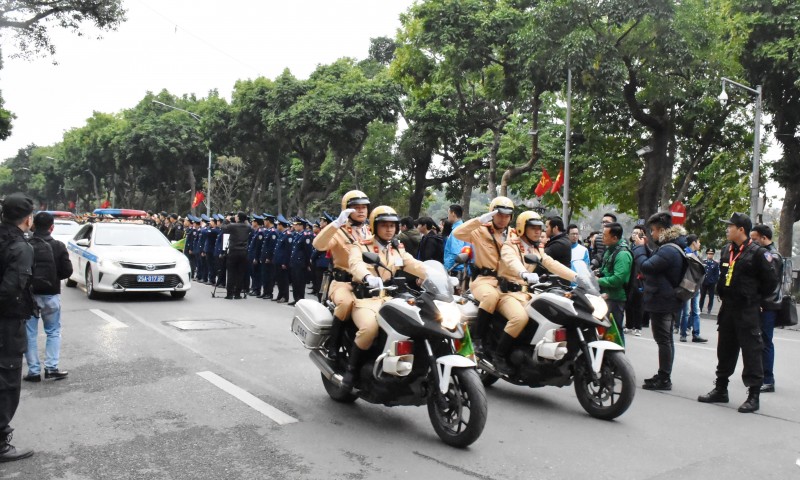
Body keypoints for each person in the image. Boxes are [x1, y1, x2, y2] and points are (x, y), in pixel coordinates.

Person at [698, 213, 778, 413]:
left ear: (741, 229)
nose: (727, 229)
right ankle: (721, 388)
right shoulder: (727, 250)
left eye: (730, 226)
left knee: (752, 351)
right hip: (728, 308)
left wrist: (759, 301)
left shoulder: (759, 253)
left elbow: (771, 282)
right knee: (725, 349)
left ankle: (753, 396)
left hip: (748, 309)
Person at [344, 206, 428, 389]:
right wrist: (367, 277)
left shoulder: (397, 248)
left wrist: (436, 273)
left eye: (393, 225)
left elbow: (413, 264)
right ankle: (351, 370)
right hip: (367, 299)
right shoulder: (361, 245)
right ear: (375, 226)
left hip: (391, 299)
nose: (389, 229)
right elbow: (355, 264)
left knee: (417, 322)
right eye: (384, 225)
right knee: (369, 328)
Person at [493, 211, 579, 373]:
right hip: (506, 293)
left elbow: (552, 264)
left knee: (548, 313)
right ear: (521, 228)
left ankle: (533, 353)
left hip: (527, 293)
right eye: (533, 228)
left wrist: (576, 277)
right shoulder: (510, 245)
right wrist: (523, 273)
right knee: (519, 318)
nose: (538, 231)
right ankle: (499, 356)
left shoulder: (536, 249)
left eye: (540, 228)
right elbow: (511, 261)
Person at [312, 191, 373, 361]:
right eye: (356, 207)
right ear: (347, 209)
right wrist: (335, 224)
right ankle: (333, 343)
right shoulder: (338, 232)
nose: (361, 211)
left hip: (368, 283)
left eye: (364, 207)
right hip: (343, 282)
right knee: (346, 303)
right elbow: (319, 245)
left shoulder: (371, 231)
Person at [453, 197, 516, 355]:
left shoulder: (513, 235)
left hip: (507, 283)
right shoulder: (481, 231)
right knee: (490, 297)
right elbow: (457, 233)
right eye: (499, 214)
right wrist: (478, 221)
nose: (503, 219)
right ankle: (477, 339)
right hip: (484, 281)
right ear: (492, 214)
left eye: (507, 216)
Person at [632, 212, 687, 391]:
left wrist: (640, 248)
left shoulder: (669, 249)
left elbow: (647, 266)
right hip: (665, 299)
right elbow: (655, 262)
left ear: (662, 230)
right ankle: (663, 374)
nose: (652, 235)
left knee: (663, 339)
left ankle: (664, 378)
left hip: (663, 301)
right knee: (665, 339)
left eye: (653, 231)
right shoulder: (669, 247)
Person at [0, 193, 36, 461]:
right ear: (28, 218)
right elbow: (11, 290)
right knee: (7, 380)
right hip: (7, 323)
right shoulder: (19, 247)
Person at [24, 211, 73, 382]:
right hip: (51, 294)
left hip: (29, 296)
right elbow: (67, 271)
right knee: (53, 332)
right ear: (52, 227)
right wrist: (52, 277)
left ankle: (34, 371)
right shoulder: (58, 246)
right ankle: (52, 368)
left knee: (29, 333)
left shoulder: (25, 244)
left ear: (33, 225)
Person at [749, 224, 783, 393]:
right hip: (765, 303)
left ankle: (768, 379)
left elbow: (769, 283)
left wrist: (761, 302)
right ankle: (761, 375)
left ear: (763, 238)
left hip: (767, 304)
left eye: (755, 239)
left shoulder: (772, 256)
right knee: (760, 341)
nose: (752, 242)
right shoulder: (768, 254)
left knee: (765, 342)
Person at [597, 222, 633, 342]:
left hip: (616, 298)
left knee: (615, 332)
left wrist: (599, 280)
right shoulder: (610, 250)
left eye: (605, 235)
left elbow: (618, 279)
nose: (602, 238)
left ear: (615, 238)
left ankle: (619, 358)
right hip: (607, 297)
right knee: (605, 332)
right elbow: (605, 269)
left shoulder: (622, 254)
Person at [678, 234, 707, 343]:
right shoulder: (685, 253)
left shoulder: (696, 254)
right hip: (687, 285)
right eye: (698, 242)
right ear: (694, 242)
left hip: (696, 286)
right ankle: (683, 334)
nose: (699, 244)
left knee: (696, 311)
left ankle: (696, 334)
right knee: (686, 311)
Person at [625, 224, 649, 335]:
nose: (634, 235)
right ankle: (629, 325)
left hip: (640, 279)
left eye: (637, 233)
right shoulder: (630, 247)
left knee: (638, 304)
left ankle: (638, 327)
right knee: (628, 303)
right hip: (630, 278)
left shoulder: (645, 248)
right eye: (633, 233)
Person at [221, 212, 251, 300]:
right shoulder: (247, 227)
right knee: (240, 273)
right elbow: (251, 229)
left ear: (238, 218)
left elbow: (223, 228)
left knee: (231, 273)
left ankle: (230, 294)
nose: (235, 217)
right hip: (243, 252)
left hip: (233, 251)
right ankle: (237, 294)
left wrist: (226, 220)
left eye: (236, 216)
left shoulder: (233, 226)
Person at [288, 218, 313, 306]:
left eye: (296, 225)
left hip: (301, 263)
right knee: (295, 282)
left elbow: (308, 251)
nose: (294, 226)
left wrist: (307, 264)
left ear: (301, 226)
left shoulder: (306, 235)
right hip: (295, 262)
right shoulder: (298, 235)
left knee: (300, 282)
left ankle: (300, 300)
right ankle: (296, 299)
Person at [443, 204, 471, 276]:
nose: (447, 216)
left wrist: (448, 269)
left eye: (448, 213)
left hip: (454, 270)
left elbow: (456, 253)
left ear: (453, 213)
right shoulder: (459, 228)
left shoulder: (458, 230)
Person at [272, 215, 293, 303]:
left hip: (283, 262)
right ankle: (280, 295)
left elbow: (288, 251)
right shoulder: (282, 234)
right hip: (278, 261)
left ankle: (285, 296)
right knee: (279, 280)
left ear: (281, 225)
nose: (277, 226)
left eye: (278, 225)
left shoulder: (288, 235)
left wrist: (285, 262)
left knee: (284, 280)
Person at [258, 215, 278, 299]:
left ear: (268, 221)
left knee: (269, 276)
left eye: (265, 221)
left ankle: (269, 293)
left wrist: (269, 257)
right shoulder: (268, 231)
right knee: (264, 275)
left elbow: (272, 247)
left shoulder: (273, 232)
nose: (264, 222)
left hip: (268, 258)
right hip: (264, 257)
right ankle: (265, 291)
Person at [699, 248, 720, 314]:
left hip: (711, 283)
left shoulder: (715, 264)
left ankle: (709, 309)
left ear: (713, 255)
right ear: (707, 254)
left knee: (711, 296)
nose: (710, 255)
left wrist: (713, 281)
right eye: (708, 254)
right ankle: (700, 308)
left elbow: (716, 274)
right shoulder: (703, 262)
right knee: (702, 296)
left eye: (711, 254)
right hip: (704, 282)